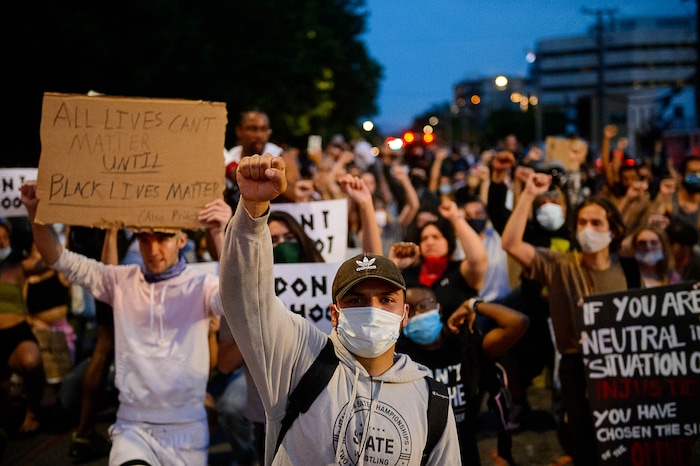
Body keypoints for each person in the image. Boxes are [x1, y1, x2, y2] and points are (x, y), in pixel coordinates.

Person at [219, 153, 461, 465]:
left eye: (386, 299)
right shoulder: (299, 362)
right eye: (356, 301)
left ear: (404, 316)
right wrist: (252, 213)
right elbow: (247, 298)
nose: (372, 309)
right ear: (334, 314)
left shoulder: (433, 400)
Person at [20, 180, 230, 466]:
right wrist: (34, 212)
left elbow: (239, 296)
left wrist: (222, 234)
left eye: (162, 238)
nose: (152, 249)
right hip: (133, 428)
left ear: (182, 240)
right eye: (144, 238)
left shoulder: (202, 285)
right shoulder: (120, 281)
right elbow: (58, 258)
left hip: (187, 428)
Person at [501, 171, 641, 466]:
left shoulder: (630, 267)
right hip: (578, 367)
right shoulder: (560, 264)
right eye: (581, 223)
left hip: (623, 365)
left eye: (596, 223)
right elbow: (512, 244)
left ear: (613, 231)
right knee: (583, 443)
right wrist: (528, 194)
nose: (587, 229)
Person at [397, 285, 528, 465]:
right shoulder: (399, 355)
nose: (418, 315)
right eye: (410, 311)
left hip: (464, 450)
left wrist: (472, 304)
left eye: (424, 305)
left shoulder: (465, 346)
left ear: (438, 308)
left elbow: (518, 322)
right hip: (418, 453)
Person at [389, 198, 488, 322]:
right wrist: (395, 264)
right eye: (424, 238)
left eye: (436, 237)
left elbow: (478, 259)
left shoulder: (459, 271)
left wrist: (455, 217)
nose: (430, 242)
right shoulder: (409, 273)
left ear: (449, 242)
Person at [0, 218, 45, 435]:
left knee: (32, 361)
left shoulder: (18, 266)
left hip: (17, 332)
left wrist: (38, 223)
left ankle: (33, 413)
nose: (1, 243)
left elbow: (44, 261)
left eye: (4, 238)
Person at [224, 109, 299, 208]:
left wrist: (276, 182)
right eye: (253, 129)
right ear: (239, 131)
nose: (259, 135)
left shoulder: (280, 158)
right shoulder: (231, 156)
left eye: (264, 129)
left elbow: (299, 195)